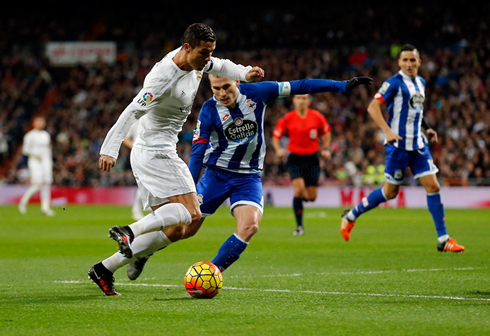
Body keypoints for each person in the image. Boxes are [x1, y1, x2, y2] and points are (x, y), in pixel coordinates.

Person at [116, 73, 372, 284]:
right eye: (216, 88)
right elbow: (197, 153)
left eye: (226, 87)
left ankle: (211, 273)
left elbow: (300, 86)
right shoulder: (208, 110)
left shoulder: (259, 92)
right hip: (215, 175)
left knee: (250, 226)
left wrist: (342, 85)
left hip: (248, 178)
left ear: (237, 83)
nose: (221, 93)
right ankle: (143, 253)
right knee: (184, 229)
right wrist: (190, 188)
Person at [88, 23, 265, 296]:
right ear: (187, 48)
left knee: (178, 229)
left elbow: (221, 65)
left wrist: (245, 73)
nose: (208, 59)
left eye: (210, 53)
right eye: (204, 53)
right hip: (155, 152)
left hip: (157, 151)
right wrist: (109, 149)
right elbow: (132, 111)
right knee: (193, 214)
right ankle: (130, 231)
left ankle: (104, 268)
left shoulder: (197, 61)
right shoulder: (162, 77)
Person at [340, 44, 465, 253]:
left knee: (433, 186)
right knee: (390, 192)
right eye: (405, 60)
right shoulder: (393, 83)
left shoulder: (421, 82)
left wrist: (428, 128)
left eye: (412, 60)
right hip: (398, 146)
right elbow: (373, 107)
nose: (409, 64)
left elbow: (416, 110)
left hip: (418, 145)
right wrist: (387, 131)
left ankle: (443, 239)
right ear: (399, 62)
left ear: (419, 62)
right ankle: (351, 215)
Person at [272, 94, 332, 236]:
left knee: (311, 197)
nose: (301, 101)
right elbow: (276, 135)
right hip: (295, 159)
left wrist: (325, 148)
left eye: (304, 98)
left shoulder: (317, 117)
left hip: (312, 159)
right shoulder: (288, 118)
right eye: (298, 98)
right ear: (293, 100)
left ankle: (298, 202)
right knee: (299, 191)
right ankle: (299, 226)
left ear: (309, 101)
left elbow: (326, 132)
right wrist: (278, 149)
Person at [18, 116, 55, 216]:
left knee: (47, 184)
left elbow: (48, 150)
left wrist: (50, 162)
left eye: (42, 122)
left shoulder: (46, 135)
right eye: (38, 122)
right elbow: (25, 150)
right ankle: (23, 202)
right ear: (34, 123)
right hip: (35, 162)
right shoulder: (30, 135)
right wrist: (35, 154)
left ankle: (45, 208)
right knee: (38, 184)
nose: (41, 124)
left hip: (46, 162)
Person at [122, 120, 145, 221]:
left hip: (153, 155)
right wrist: (135, 148)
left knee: (146, 183)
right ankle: (136, 210)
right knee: (144, 183)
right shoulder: (137, 120)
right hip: (141, 155)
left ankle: (138, 210)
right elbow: (126, 138)